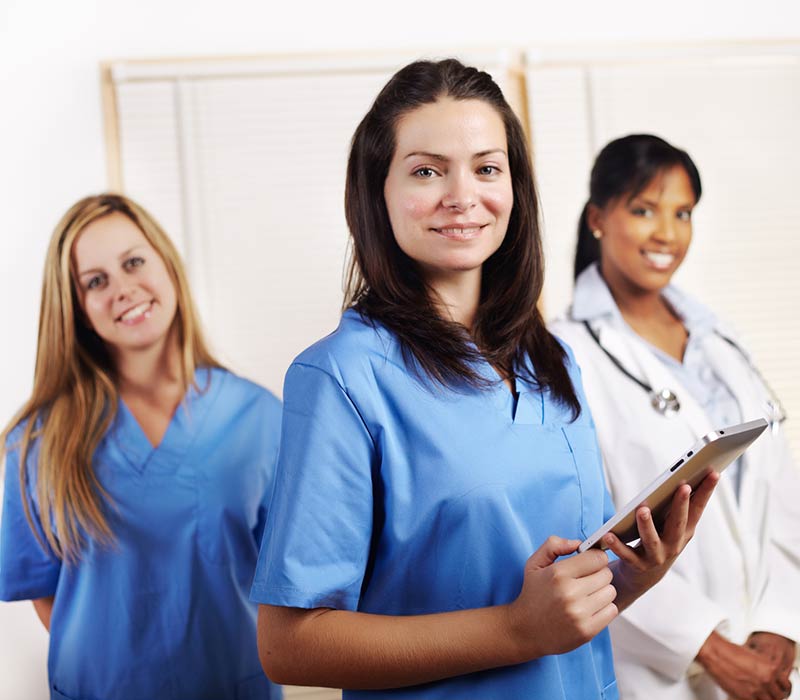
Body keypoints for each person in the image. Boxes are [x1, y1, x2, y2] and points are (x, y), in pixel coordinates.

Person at [249, 60, 718, 700]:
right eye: (426, 170)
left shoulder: (551, 360)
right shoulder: (341, 377)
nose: (462, 195)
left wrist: (631, 578)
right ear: (374, 191)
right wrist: (515, 631)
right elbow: (289, 644)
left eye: (486, 167)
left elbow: (557, 594)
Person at [0, 194, 283, 699]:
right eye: (95, 281)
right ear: (79, 310)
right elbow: (47, 595)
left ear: (166, 264)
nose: (123, 289)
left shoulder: (260, 419)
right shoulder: (40, 441)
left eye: (133, 262)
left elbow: (288, 580)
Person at [551, 133, 800, 700]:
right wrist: (706, 646)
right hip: (665, 674)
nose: (666, 233)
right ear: (598, 218)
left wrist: (780, 623)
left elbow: (779, 488)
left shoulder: (719, 339)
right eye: (643, 210)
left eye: (682, 212)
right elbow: (585, 531)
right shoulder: (563, 355)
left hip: (770, 659)